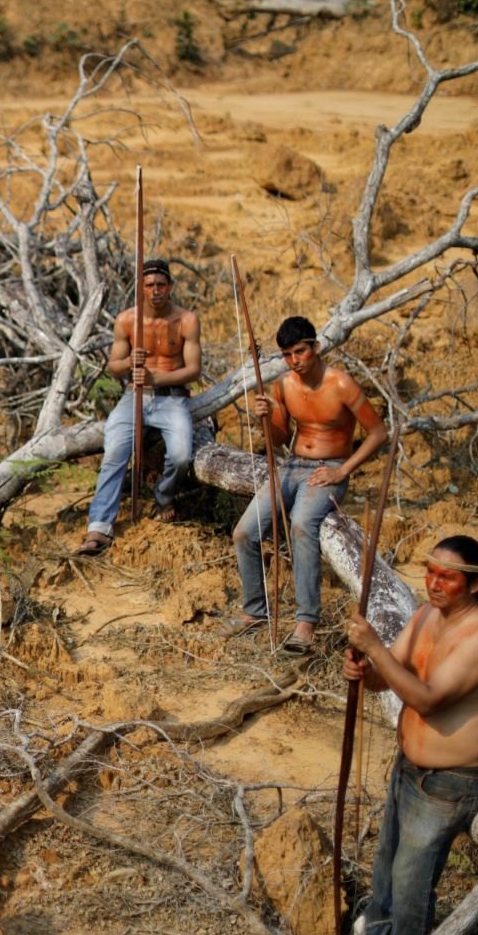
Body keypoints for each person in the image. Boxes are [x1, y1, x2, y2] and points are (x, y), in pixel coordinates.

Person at [345, 534, 478, 935]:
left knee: (410, 882)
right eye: (431, 572)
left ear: (474, 585)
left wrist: (373, 647)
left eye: (447, 577)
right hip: (409, 768)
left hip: (449, 781)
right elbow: (390, 675)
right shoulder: (425, 616)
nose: (434, 583)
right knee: (386, 868)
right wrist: (364, 671)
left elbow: (428, 699)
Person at [228, 315, 389, 652]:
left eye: (300, 352)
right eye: (287, 355)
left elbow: (378, 433)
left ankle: (305, 623)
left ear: (315, 347)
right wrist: (264, 420)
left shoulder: (342, 384)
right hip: (293, 464)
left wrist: (343, 471)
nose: (294, 361)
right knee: (244, 531)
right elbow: (281, 437)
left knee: (302, 525)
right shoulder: (284, 385)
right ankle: (255, 611)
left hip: (328, 469)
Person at [75, 259, 202, 556]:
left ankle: (164, 495)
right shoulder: (127, 320)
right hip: (135, 397)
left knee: (182, 455)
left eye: (161, 285)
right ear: (141, 289)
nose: (155, 291)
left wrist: (158, 377)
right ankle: (99, 526)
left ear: (169, 286)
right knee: (115, 453)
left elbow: (194, 370)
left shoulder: (187, 320)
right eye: (149, 285)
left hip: (173, 398)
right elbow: (113, 367)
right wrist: (129, 363)